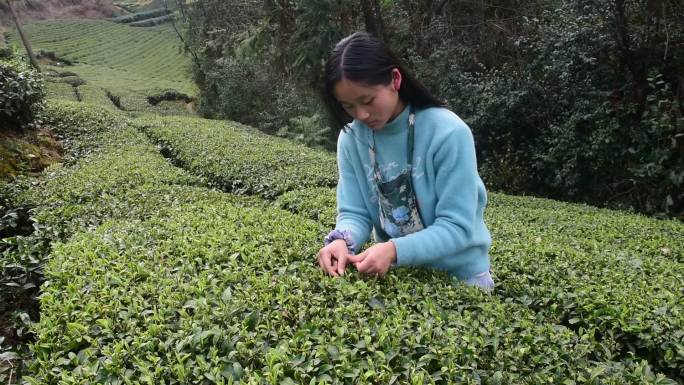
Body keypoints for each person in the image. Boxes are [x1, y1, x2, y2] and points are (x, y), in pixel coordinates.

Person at [316, 31, 494, 291]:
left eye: (367, 100)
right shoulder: (351, 139)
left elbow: (457, 227)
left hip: (462, 280)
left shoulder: (448, 133)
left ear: (395, 79)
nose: (362, 114)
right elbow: (355, 212)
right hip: (402, 280)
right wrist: (343, 241)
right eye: (348, 106)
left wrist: (393, 250)